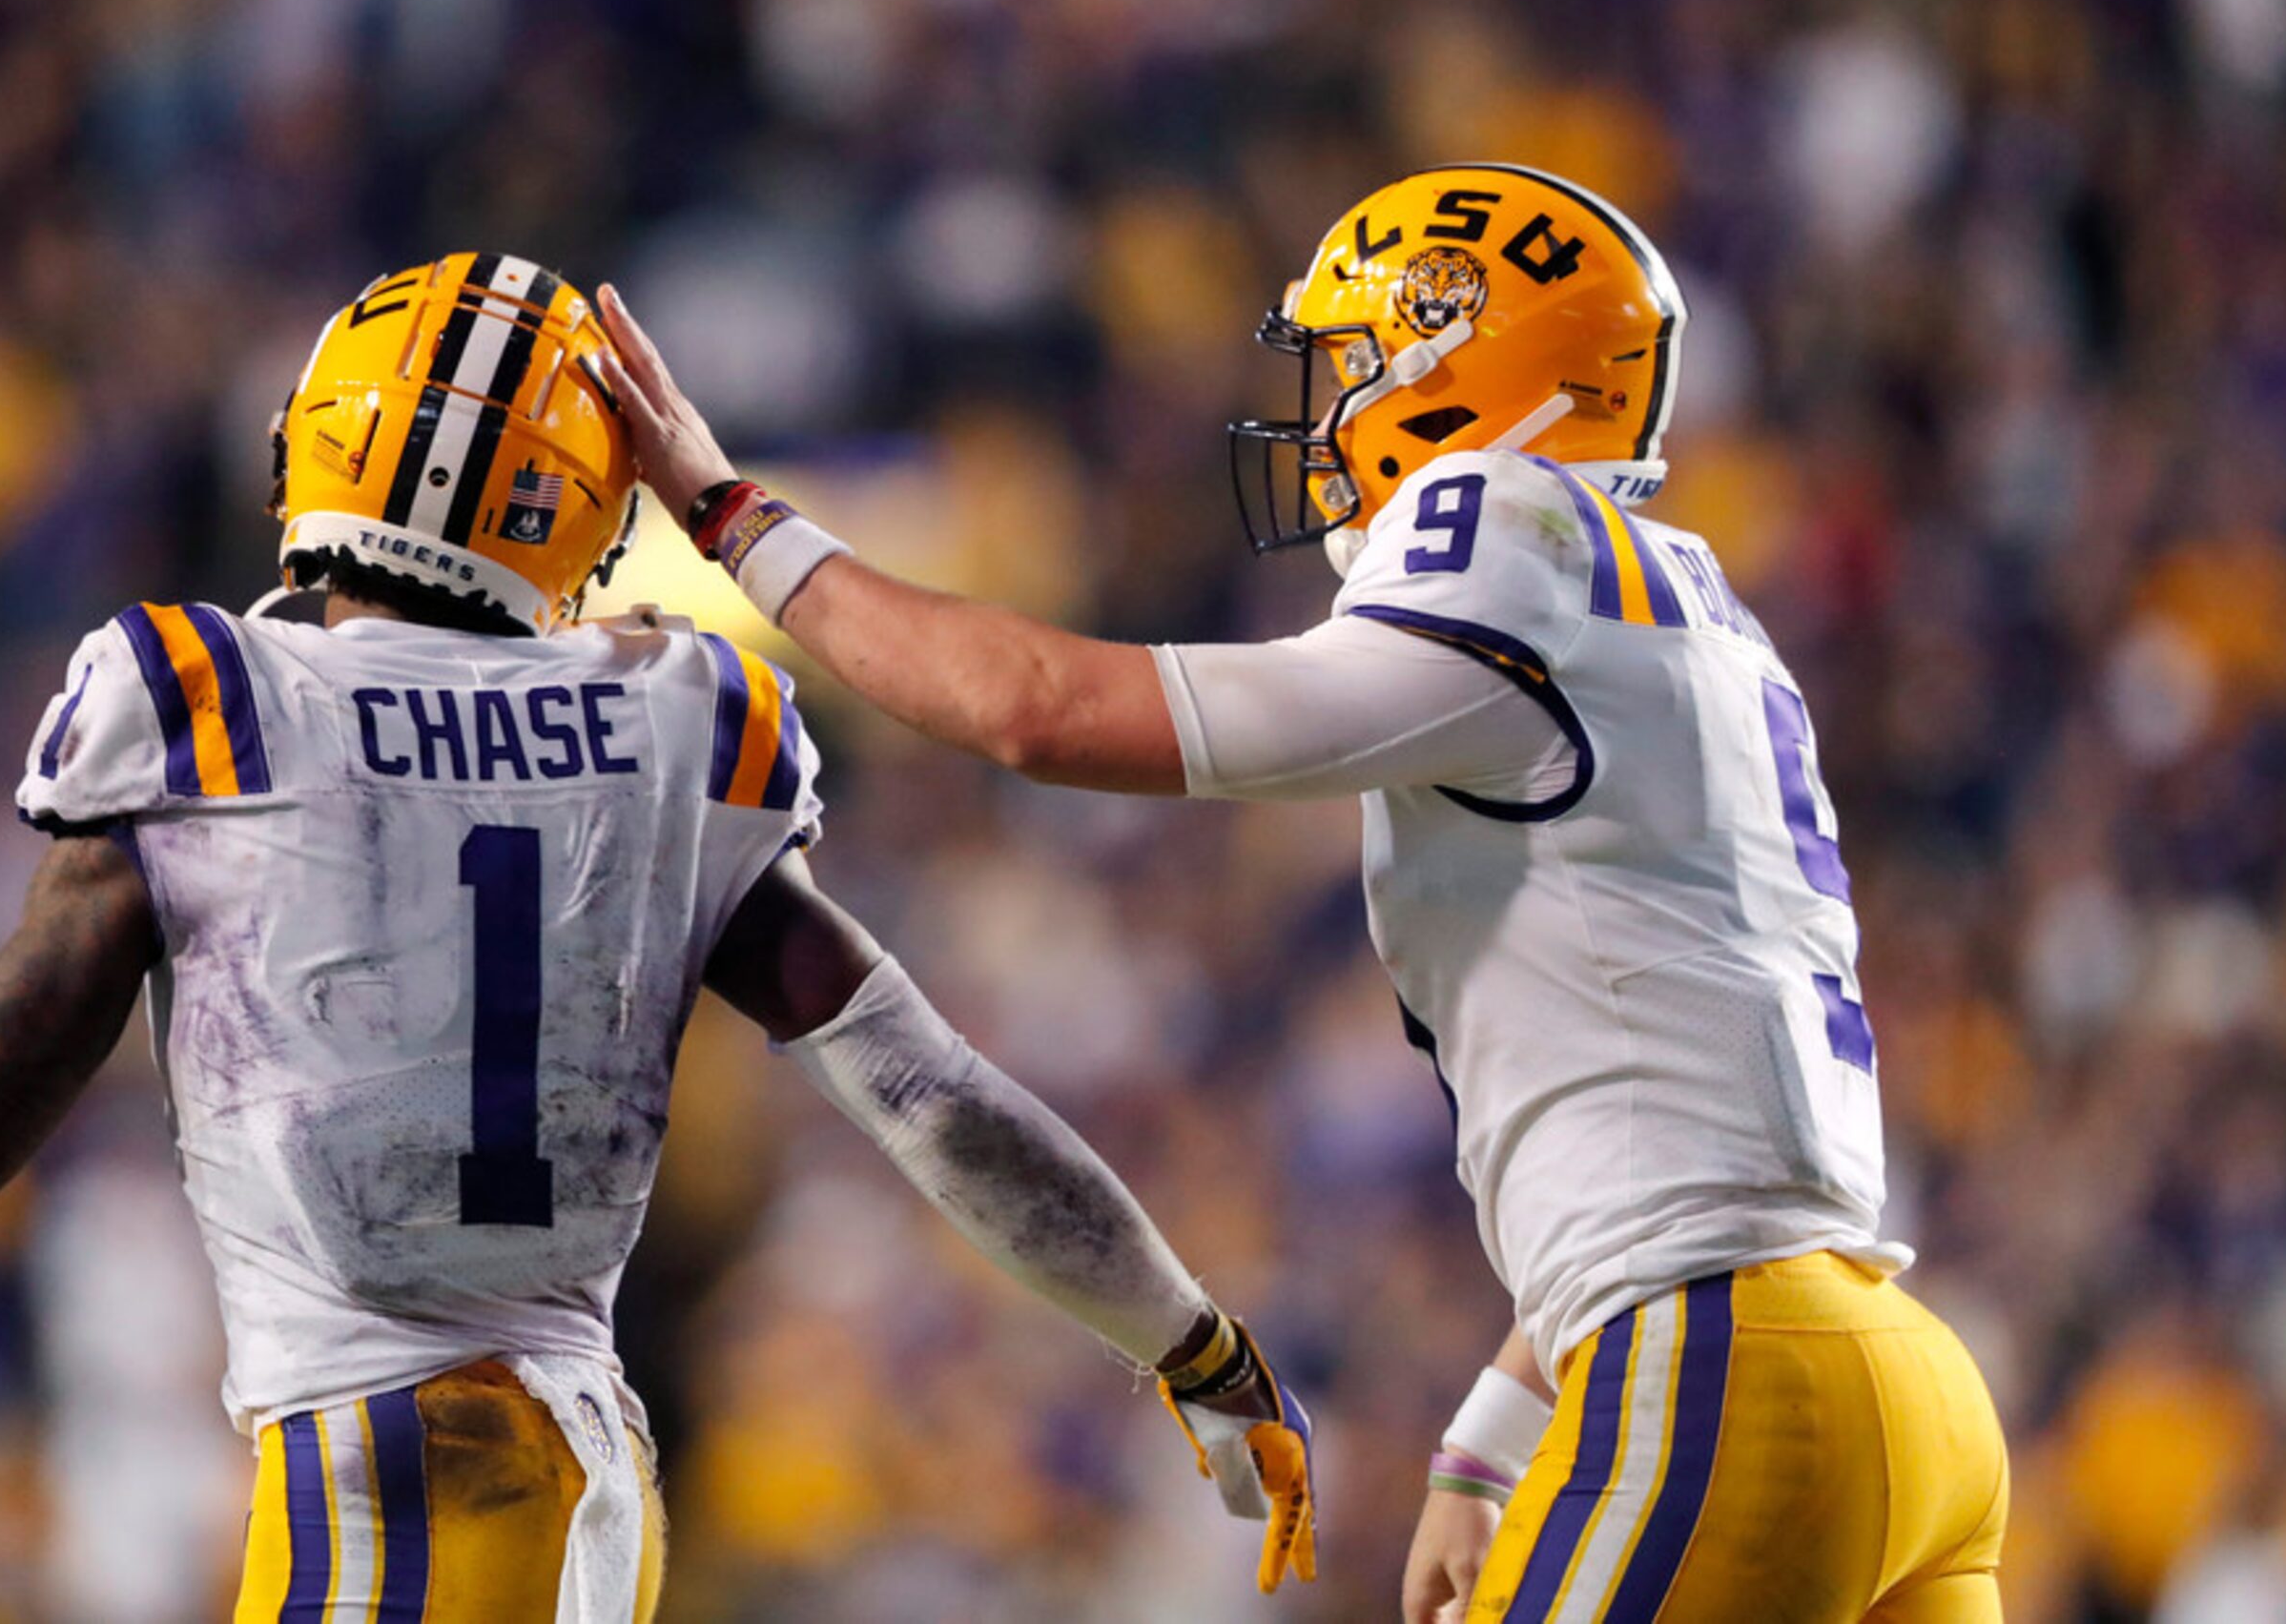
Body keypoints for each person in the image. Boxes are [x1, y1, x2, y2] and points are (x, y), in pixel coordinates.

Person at [0, 255, 1315, 1619]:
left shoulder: (213, 703)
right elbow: (936, 1097)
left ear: (319, 445)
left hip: (386, 1468)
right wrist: (1194, 1342)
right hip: (593, 1467)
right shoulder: (672, 717)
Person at [594, 165, 2012, 1623]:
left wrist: (733, 517)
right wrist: (1487, 1444)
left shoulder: (1500, 529)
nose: (1323, 415)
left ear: (1451, 366)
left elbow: (1038, 711)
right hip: (1889, 1371)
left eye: (1349, 366)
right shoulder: (1683, 601)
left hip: (1727, 1374)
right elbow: (1696, 1128)